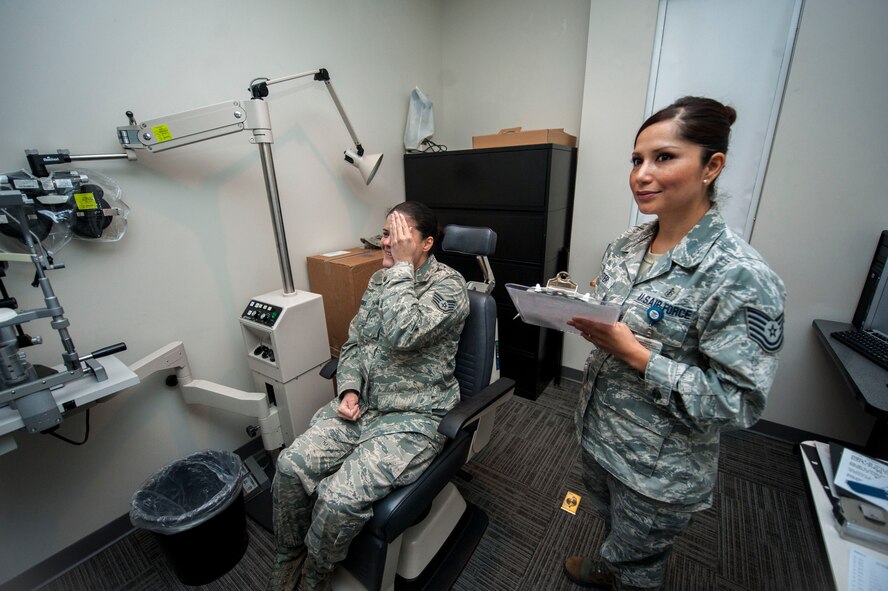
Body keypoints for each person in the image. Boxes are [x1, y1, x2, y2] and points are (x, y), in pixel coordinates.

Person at [563, 97, 786, 590]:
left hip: (659, 470)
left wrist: (636, 354)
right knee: (610, 529)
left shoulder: (740, 277)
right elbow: (611, 311)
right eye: (636, 160)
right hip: (599, 432)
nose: (642, 174)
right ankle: (608, 563)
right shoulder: (626, 245)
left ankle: (623, 571)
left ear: (712, 166)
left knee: (640, 565)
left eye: (664, 158)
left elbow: (739, 403)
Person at [266, 201, 470, 591]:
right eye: (385, 232)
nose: (387, 242)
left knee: (337, 498)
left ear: (425, 243)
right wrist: (348, 387)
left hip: (413, 417)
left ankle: (314, 575)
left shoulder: (450, 287)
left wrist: (401, 271)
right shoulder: (380, 281)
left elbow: (403, 332)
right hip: (364, 406)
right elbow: (356, 342)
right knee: (290, 466)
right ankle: (289, 555)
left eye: (398, 234)